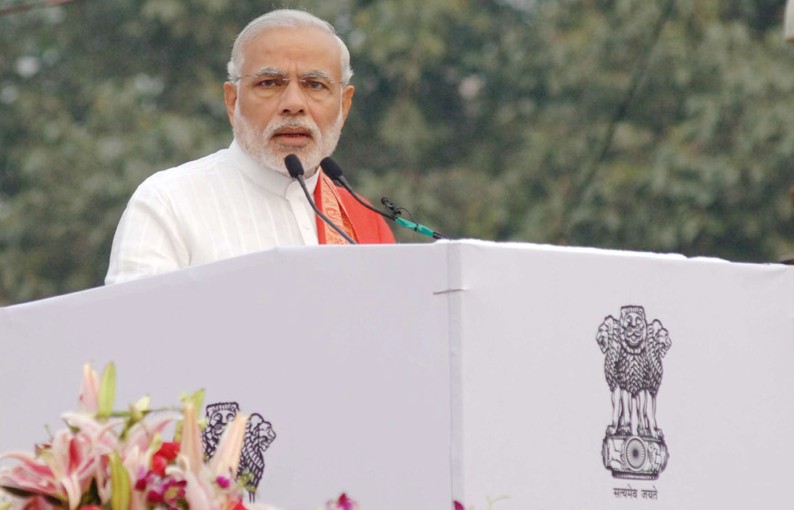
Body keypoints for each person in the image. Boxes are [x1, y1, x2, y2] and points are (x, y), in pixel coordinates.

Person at [105, 9, 395, 285]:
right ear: (232, 101)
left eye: (315, 85)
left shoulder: (364, 220)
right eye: (269, 83)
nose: (293, 104)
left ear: (344, 105)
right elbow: (131, 333)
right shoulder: (169, 202)